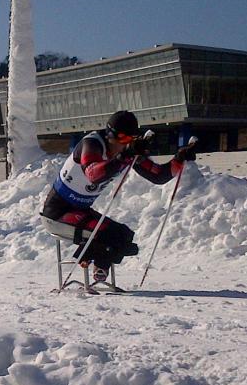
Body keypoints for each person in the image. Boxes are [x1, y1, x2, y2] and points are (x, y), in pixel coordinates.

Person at [40, 110, 197, 283]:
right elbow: (93, 174)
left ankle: (98, 267)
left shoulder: (126, 152)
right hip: (57, 214)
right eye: (122, 139)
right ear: (110, 135)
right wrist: (125, 155)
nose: (124, 144)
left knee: (124, 235)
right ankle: (85, 259)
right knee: (110, 235)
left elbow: (159, 176)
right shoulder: (92, 144)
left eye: (130, 140)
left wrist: (179, 158)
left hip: (81, 210)